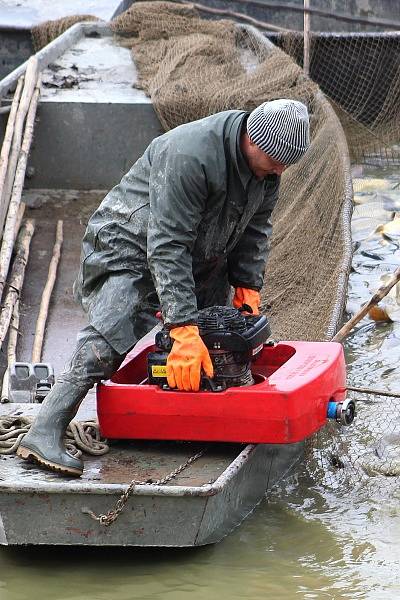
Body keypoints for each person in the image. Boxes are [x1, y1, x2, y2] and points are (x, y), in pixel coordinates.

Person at [17, 99, 310, 477]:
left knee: (215, 335)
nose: (279, 169)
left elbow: (255, 229)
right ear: (252, 138)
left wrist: (247, 285)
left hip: (200, 249)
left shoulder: (267, 170)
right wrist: (182, 328)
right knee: (108, 339)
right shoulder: (189, 154)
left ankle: (193, 423)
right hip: (128, 247)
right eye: (274, 160)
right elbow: (167, 244)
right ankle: (44, 431)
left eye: (284, 163)